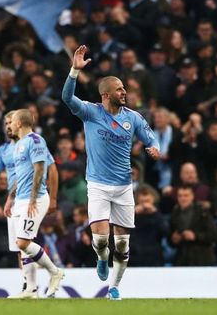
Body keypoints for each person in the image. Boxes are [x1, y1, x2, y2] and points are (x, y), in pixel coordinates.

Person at [62, 45, 160, 300]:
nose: (124, 92)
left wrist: (153, 147)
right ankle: (102, 258)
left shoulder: (133, 118)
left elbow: (150, 137)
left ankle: (114, 287)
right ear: (106, 94)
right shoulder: (91, 112)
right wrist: (74, 71)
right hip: (98, 185)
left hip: (124, 186)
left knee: (124, 244)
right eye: (119, 89)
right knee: (102, 240)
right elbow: (66, 98)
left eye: (124, 88)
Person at [0, 110, 59, 298]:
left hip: (35, 199)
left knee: (24, 242)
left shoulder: (36, 141)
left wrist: (32, 199)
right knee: (20, 244)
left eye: (11, 121)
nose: (9, 125)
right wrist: (11, 197)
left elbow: (40, 169)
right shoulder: (17, 146)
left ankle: (55, 272)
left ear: (19, 123)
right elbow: (20, 177)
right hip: (19, 199)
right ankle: (30, 288)